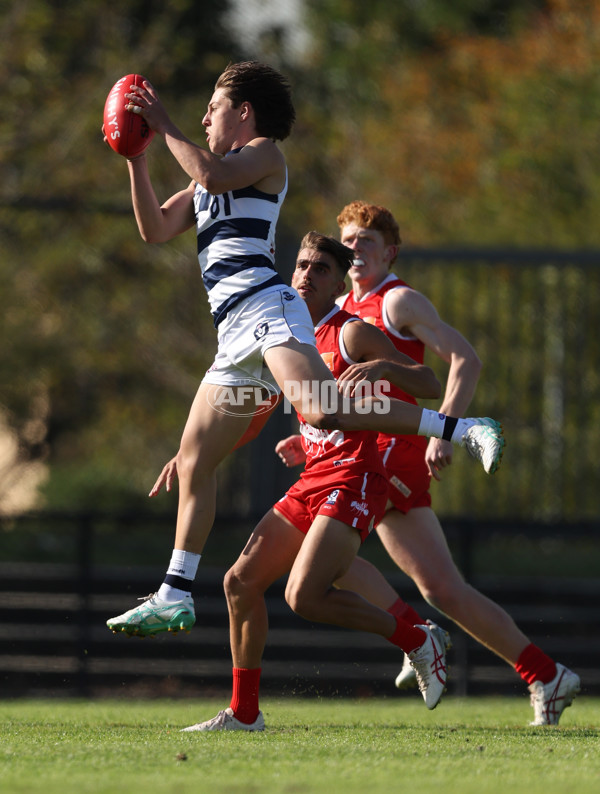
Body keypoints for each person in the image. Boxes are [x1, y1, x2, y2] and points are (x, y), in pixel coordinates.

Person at [104, 62, 504, 640]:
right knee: (194, 459)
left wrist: (160, 122)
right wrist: (136, 156)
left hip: (269, 311)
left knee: (321, 408)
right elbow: (155, 228)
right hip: (232, 332)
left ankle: (462, 429)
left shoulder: (265, 155)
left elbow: (215, 174)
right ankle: (174, 592)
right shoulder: (201, 177)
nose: (202, 117)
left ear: (244, 113)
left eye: (212, 108)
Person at [172, 231, 453, 731]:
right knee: (239, 583)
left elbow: (429, 385)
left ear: (336, 281)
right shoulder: (285, 332)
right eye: (301, 265)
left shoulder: (350, 333)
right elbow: (256, 409)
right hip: (313, 477)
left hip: (355, 476)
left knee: (303, 596)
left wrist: (385, 366)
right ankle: (245, 713)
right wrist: (191, 455)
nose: (305, 275)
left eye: (320, 269)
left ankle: (416, 638)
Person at [321, 200, 579, 726]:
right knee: (441, 588)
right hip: (369, 456)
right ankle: (545, 674)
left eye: (365, 242)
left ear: (389, 252)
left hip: (390, 455)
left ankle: (416, 634)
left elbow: (466, 358)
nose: (353, 251)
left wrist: (445, 430)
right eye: (346, 241)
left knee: (317, 551)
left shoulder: (398, 302)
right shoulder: (343, 309)